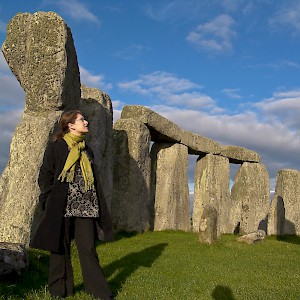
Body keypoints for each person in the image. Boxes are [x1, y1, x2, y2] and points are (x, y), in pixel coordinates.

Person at [30, 110, 114, 299]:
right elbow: (45, 175)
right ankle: (59, 290)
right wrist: (49, 198)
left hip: (86, 207)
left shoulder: (87, 149)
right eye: (82, 120)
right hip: (62, 206)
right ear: (70, 125)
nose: (86, 122)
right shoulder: (57, 147)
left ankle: (99, 292)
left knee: (88, 249)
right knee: (60, 248)